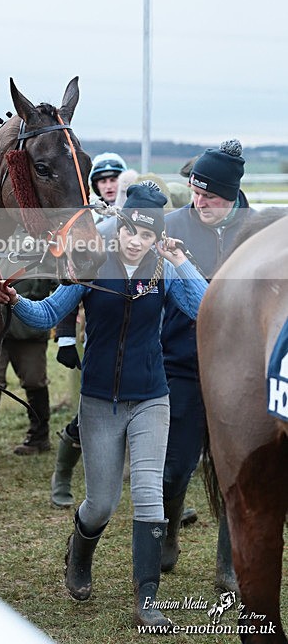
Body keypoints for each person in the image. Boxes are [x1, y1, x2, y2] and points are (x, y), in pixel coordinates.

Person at [0, 182, 207, 630]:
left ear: (156, 238)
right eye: (131, 231)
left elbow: (204, 307)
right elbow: (48, 314)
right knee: (101, 504)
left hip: (152, 397)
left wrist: (180, 261)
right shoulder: (92, 265)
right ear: (119, 227)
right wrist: (15, 301)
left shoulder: (163, 272)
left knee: (148, 494)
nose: (136, 241)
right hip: (99, 401)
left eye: (147, 235)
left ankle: (147, 598)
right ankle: (79, 554)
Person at [161, 139, 253, 590]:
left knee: (233, 468)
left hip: (238, 371)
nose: (199, 203)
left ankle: (229, 563)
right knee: (175, 468)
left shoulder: (255, 235)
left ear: (231, 195)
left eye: (209, 196)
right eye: (195, 192)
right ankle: (168, 533)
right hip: (181, 363)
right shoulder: (173, 225)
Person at [51, 151, 128, 507]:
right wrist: (66, 337)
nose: (110, 186)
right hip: (100, 329)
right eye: (103, 180)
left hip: (143, 331)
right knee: (93, 412)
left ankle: (164, 487)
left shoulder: (140, 220)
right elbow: (70, 281)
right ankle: (63, 472)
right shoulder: (86, 223)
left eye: (115, 180)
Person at [0, 277, 57, 455]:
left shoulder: (47, 258)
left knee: (34, 381)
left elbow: (63, 285)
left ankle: (39, 437)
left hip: (30, 329)